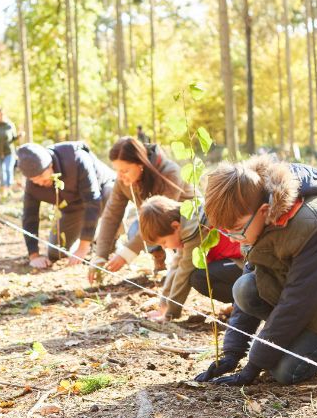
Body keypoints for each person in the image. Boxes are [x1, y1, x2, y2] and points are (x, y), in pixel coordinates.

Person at [195, 155, 317, 386]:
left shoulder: (312, 225)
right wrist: (232, 353)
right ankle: (303, 341)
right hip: (311, 292)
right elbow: (256, 280)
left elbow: (298, 301)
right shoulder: (257, 218)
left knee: (285, 372)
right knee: (245, 289)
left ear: (264, 210)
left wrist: (253, 365)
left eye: (235, 230)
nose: (233, 238)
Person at [89, 136, 194, 283]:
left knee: (150, 227)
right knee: (136, 228)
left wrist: (126, 253)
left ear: (141, 164)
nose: (119, 176)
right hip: (159, 223)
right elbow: (111, 214)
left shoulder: (169, 172)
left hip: (186, 222)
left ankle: (189, 265)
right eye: (117, 170)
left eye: (125, 170)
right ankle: (160, 260)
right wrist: (100, 255)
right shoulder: (123, 181)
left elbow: (162, 218)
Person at [138, 195, 244, 322]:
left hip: (246, 264)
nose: (164, 247)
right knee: (199, 275)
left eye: (164, 242)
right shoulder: (187, 223)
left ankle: (244, 305)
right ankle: (240, 304)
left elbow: (183, 273)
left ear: (175, 226)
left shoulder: (194, 229)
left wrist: (170, 313)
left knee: (199, 277)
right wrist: (163, 305)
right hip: (233, 262)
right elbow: (176, 266)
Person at [18, 142, 116, 269]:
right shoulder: (33, 184)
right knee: (56, 252)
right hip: (72, 208)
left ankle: (111, 239)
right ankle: (93, 235)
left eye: (42, 176)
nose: (40, 182)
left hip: (101, 193)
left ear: (50, 165)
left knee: (111, 192)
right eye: (34, 180)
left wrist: (83, 247)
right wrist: (34, 256)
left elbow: (92, 201)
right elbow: (29, 217)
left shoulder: (75, 157)